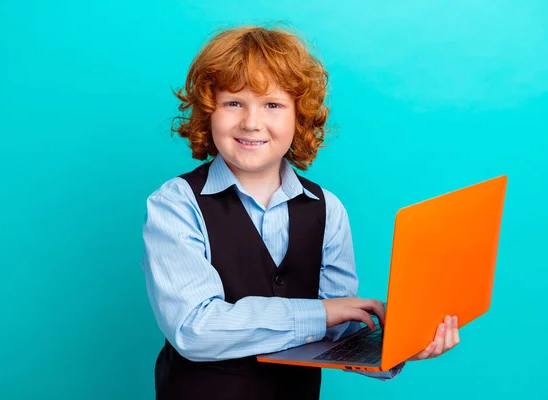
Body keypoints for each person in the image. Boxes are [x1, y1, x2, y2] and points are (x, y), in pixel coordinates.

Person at [141, 25, 460, 400]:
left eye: (272, 105)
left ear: (300, 116)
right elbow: (193, 329)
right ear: (209, 111)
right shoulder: (176, 203)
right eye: (233, 103)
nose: (251, 122)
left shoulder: (328, 209)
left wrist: (400, 346)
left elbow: (336, 331)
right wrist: (321, 312)